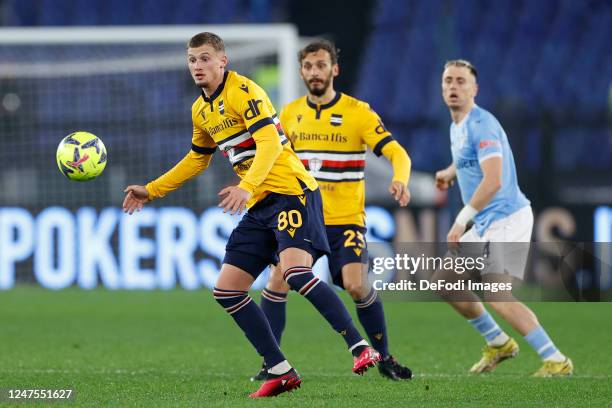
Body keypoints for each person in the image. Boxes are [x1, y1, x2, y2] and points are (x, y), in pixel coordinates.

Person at [122, 32, 381, 398]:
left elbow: (270, 142)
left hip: (293, 192)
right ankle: (279, 369)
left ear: (223, 61)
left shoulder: (245, 92)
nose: (198, 66)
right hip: (259, 204)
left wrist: (246, 186)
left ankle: (359, 346)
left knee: (293, 272)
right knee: (226, 290)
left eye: (205, 58)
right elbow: (198, 158)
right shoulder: (200, 110)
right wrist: (152, 189)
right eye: (192, 59)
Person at [251, 40, 413, 382]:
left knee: (356, 285)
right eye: (308, 66)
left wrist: (400, 178)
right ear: (301, 71)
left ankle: (384, 356)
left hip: (345, 220)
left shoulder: (359, 112)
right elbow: (273, 161)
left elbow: (398, 152)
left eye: (321, 65)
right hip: (304, 217)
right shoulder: (290, 113)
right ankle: (272, 365)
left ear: (334, 69)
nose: (315, 72)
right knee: (278, 279)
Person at [434, 59, 573, 377]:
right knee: (446, 280)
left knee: (496, 293)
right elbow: (469, 158)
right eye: (448, 81)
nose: (454, 87)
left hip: (507, 218)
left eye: (461, 81)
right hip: (486, 221)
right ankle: (498, 342)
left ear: (475, 88)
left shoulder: (482, 124)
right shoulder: (458, 124)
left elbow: (494, 179)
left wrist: (461, 219)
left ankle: (556, 359)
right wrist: (450, 172)